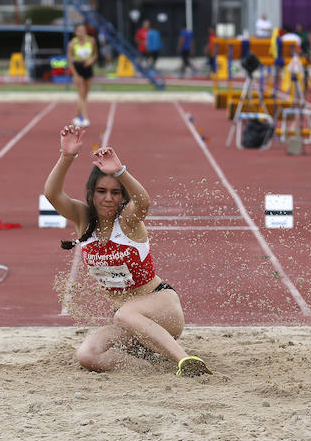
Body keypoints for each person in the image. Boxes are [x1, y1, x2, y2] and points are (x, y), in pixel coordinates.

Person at [43, 125, 211, 377]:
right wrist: (66, 157)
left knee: (125, 313)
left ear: (122, 197)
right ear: (91, 194)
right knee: (88, 354)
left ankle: (185, 360)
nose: (108, 198)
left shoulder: (129, 221)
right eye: (102, 191)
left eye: (115, 192)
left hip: (161, 309)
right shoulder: (82, 219)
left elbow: (144, 202)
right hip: (128, 322)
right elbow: (52, 194)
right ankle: (148, 370)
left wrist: (120, 172)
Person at [67, 23, 97, 128]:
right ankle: (85, 118)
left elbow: (95, 55)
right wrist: (75, 74)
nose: (82, 32)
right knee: (81, 93)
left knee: (85, 95)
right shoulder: (72, 44)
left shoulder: (91, 40)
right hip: (78, 67)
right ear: (76, 32)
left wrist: (91, 61)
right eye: (79, 30)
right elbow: (70, 60)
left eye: (83, 30)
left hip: (88, 67)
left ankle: (76, 117)